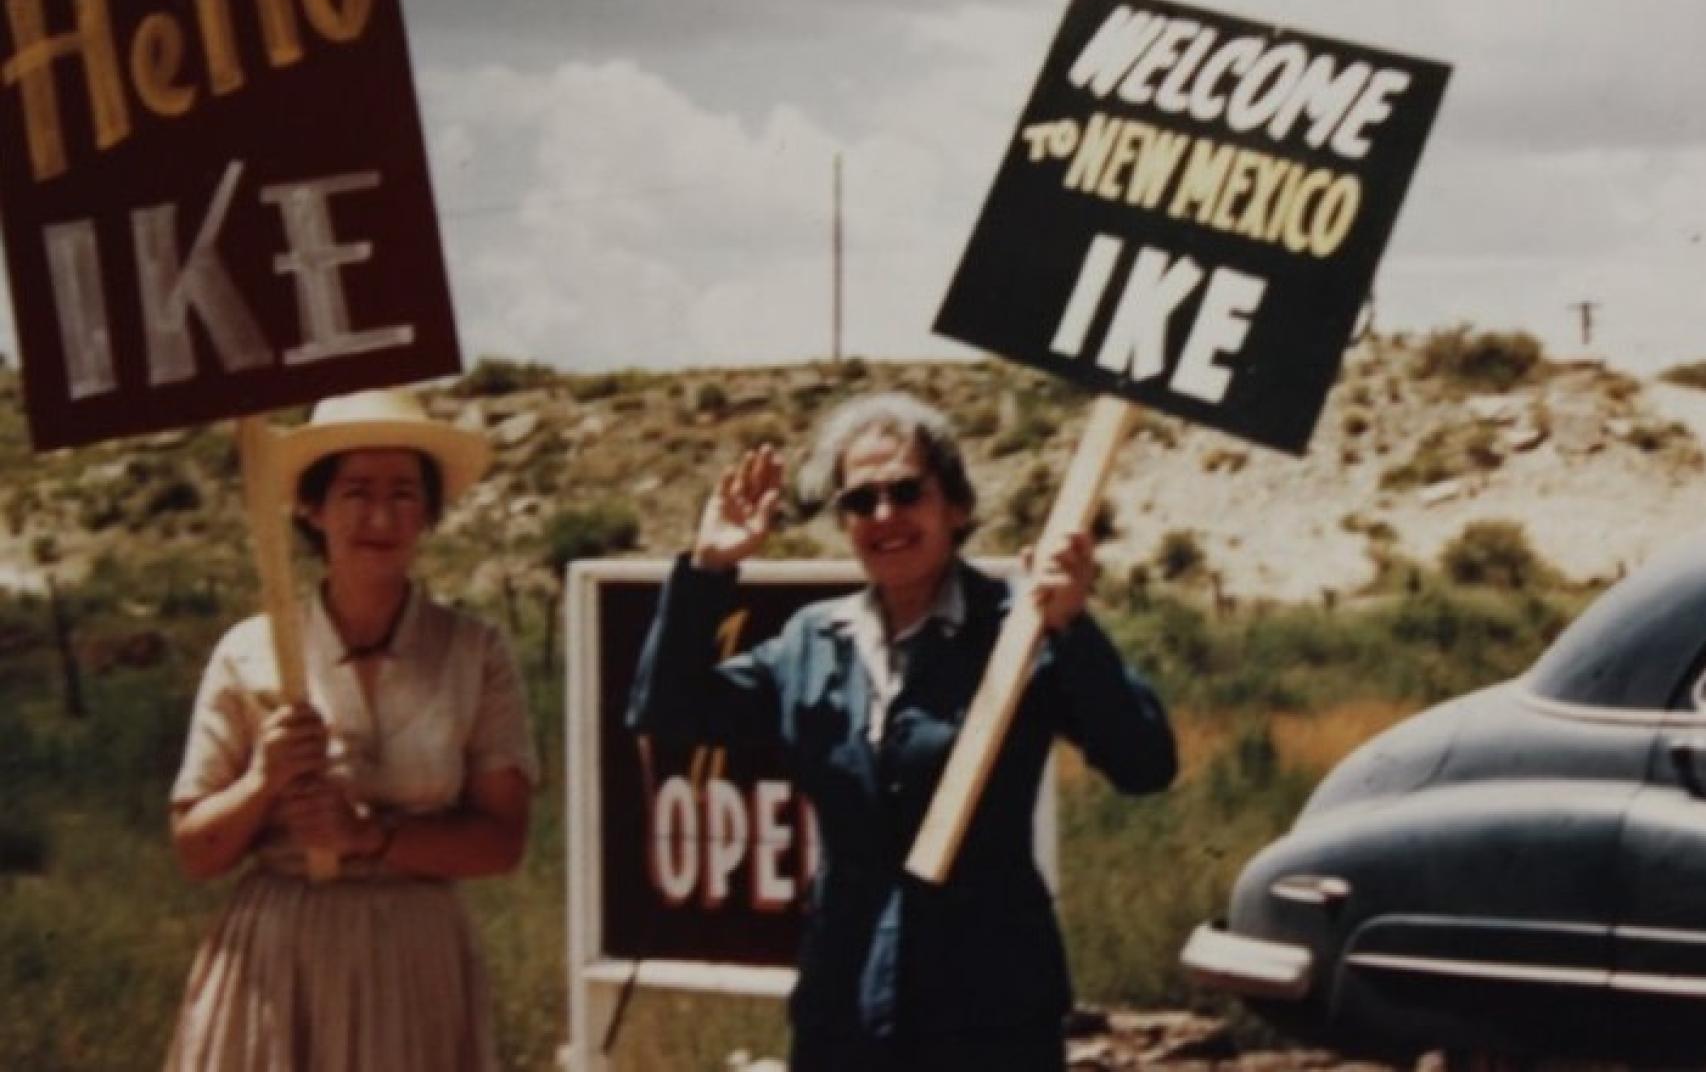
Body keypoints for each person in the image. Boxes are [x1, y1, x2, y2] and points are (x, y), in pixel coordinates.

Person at [628, 391, 1176, 1072]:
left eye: (906, 491)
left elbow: (1145, 762)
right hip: (847, 1004)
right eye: (861, 501)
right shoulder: (811, 642)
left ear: (957, 506)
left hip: (989, 1014)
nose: (884, 516)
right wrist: (709, 570)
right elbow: (668, 713)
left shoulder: (1020, 624)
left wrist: (1073, 628)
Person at [164, 388, 538, 1072]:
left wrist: (372, 836)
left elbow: (502, 843)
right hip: (279, 968)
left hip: (416, 966)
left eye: (402, 493)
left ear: (427, 512)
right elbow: (197, 853)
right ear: (313, 507)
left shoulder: (474, 652)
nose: (378, 515)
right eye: (355, 491)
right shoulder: (249, 652)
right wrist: (264, 779)